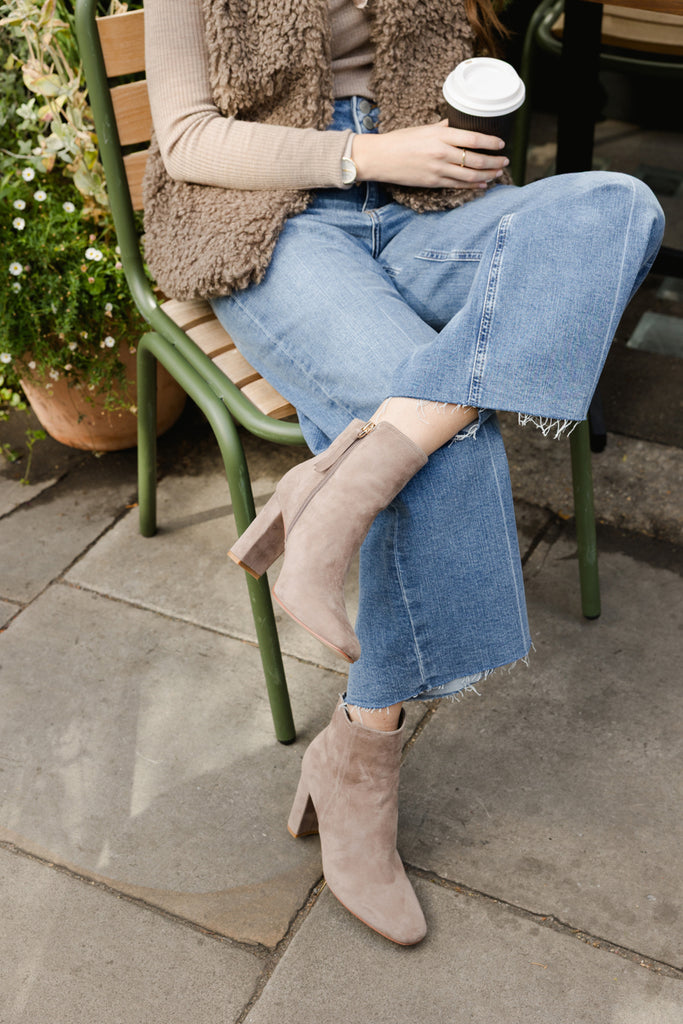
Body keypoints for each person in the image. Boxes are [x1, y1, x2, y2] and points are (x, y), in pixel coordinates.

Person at [143, 0, 664, 945]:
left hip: (427, 213)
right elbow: (184, 139)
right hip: (275, 224)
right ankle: (360, 753)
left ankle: (342, 479)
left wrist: (451, 150)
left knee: (619, 205)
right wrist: (371, 153)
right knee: (448, 435)